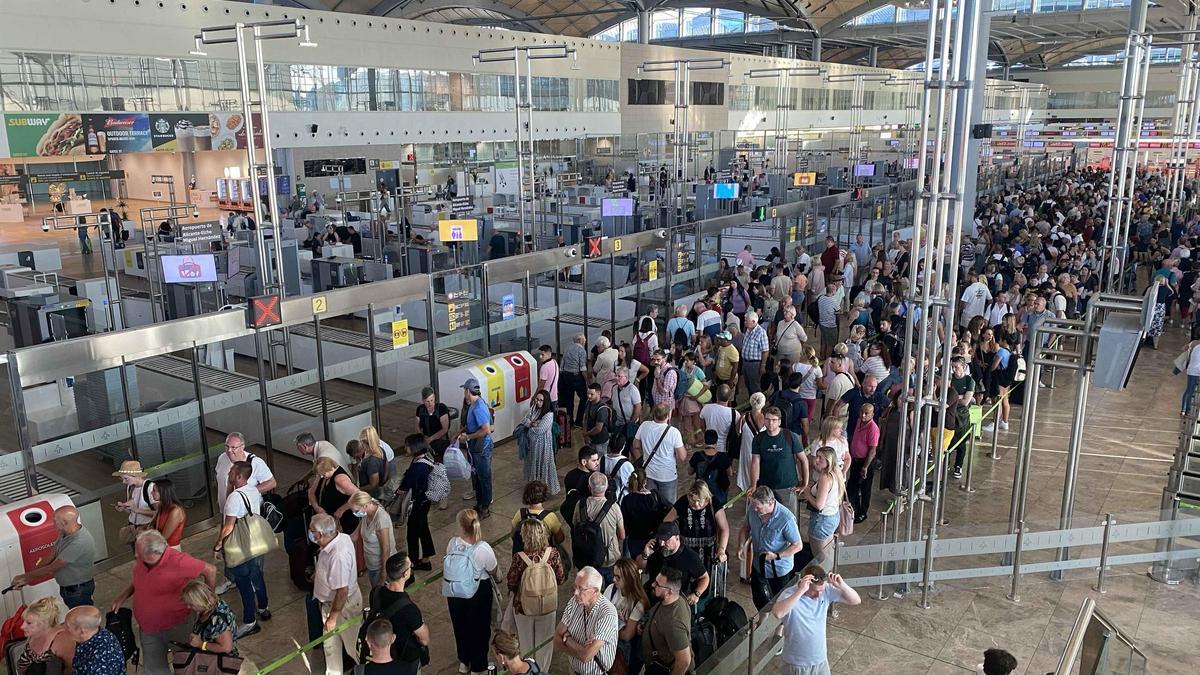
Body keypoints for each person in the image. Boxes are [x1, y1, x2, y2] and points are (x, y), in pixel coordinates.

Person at [111, 529, 217, 675]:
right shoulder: (143, 560)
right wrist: (123, 595)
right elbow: (141, 579)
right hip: (148, 627)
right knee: (154, 668)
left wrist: (207, 602)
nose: (135, 555)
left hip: (177, 624)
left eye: (139, 552)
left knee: (187, 664)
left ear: (154, 553)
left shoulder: (179, 561)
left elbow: (210, 570)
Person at [212, 461, 270, 638]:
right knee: (257, 575)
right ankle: (263, 607)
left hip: (239, 545)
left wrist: (218, 545)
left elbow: (228, 526)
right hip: (255, 540)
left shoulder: (234, 498)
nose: (228, 473)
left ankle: (249, 621)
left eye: (231, 471)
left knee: (243, 582)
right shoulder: (253, 490)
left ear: (238, 476)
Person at [770, 564, 862, 675]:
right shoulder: (789, 594)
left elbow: (856, 600)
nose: (818, 595)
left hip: (820, 660)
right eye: (814, 591)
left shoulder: (826, 590)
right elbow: (777, 613)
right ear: (805, 583)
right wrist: (800, 591)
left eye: (821, 591)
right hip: (796, 663)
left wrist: (842, 585)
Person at [445, 509, 501, 675]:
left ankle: (464, 661)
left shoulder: (452, 543)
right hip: (478, 592)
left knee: (460, 626)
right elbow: (493, 570)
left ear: (461, 526)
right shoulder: (483, 548)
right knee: (480, 629)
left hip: (454, 591)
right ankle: (478, 666)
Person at [506, 518, 567, 668]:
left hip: (523, 608)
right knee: (544, 644)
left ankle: (528, 669)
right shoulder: (553, 554)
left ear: (525, 536)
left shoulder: (519, 558)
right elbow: (560, 578)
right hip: (547, 605)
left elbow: (511, 583)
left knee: (526, 644)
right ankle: (542, 671)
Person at [11, 505, 96, 608]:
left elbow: (54, 566)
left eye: (55, 520)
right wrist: (28, 577)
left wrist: (27, 577)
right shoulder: (65, 533)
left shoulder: (79, 542)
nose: (53, 523)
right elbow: (51, 555)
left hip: (78, 590)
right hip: (70, 587)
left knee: (81, 616)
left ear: (64, 522)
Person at [310, 513, 364, 675]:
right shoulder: (340, 538)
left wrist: (332, 618)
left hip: (342, 608)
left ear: (320, 534)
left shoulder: (338, 556)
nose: (311, 534)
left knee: (354, 648)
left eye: (312, 531)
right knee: (330, 647)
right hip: (332, 607)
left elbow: (342, 592)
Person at [740, 487, 803, 609]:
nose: (755, 509)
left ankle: (776, 621)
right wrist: (742, 546)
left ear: (770, 503)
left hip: (779, 570)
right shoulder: (753, 509)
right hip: (758, 565)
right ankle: (762, 618)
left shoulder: (786, 519)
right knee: (759, 601)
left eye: (758, 507)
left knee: (779, 604)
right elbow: (745, 528)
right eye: (754, 505)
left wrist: (777, 555)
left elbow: (798, 545)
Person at [373, 553, 430, 674]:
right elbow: (424, 639)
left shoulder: (376, 593)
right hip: (405, 659)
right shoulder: (409, 609)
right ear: (405, 574)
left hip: (383, 653)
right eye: (410, 566)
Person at [556, 567, 620, 675]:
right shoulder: (574, 602)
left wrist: (567, 639)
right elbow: (557, 640)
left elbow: (586, 656)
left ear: (595, 591)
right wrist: (581, 650)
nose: (575, 592)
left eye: (581, 589)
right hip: (573, 671)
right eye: (575, 587)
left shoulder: (607, 614)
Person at [750, 406, 808, 516]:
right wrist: (753, 484)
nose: (770, 423)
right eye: (767, 419)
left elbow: (803, 460)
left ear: (779, 421)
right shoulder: (758, 439)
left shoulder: (790, 436)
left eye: (774, 420)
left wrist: (805, 482)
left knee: (789, 517)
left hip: (788, 487)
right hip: (766, 486)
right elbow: (755, 462)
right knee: (766, 516)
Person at [636, 521, 710, 606]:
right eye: (660, 539)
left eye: (666, 540)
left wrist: (696, 594)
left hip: (674, 600)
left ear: (677, 538)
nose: (662, 543)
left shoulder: (690, 556)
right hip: (652, 594)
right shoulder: (655, 548)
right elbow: (639, 567)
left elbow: (705, 578)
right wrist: (645, 554)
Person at [663, 480, 729, 573]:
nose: (696, 504)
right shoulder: (683, 502)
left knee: (708, 576)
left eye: (699, 501)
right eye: (693, 501)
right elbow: (666, 522)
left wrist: (721, 549)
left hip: (709, 552)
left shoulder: (713, 503)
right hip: (686, 551)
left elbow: (724, 528)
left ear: (706, 498)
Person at [632, 403, 688, 505]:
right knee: (668, 506)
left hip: (648, 473)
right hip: (667, 475)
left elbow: (635, 445)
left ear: (653, 414)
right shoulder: (674, 432)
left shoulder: (644, 425)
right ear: (668, 415)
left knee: (650, 505)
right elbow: (682, 457)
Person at [643, 568, 694, 674]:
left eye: (657, 584)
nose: (653, 585)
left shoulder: (674, 624)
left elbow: (684, 661)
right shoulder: (675, 599)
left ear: (669, 592)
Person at [398, 436, 436, 571]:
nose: (405, 448)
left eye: (407, 446)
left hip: (418, 503)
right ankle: (426, 559)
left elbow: (405, 486)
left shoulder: (418, 466)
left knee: (412, 533)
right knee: (423, 528)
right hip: (425, 501)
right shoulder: (426, 458)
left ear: (415, 447)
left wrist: (397, 491)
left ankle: (413, 562)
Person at [459, 378, 495, 519]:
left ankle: (485, 507)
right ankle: (480, 503)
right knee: (478, 477)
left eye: (464, 390)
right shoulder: (474, 404)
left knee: (484, 477)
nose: (464, 392)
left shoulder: (479, 407)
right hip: (476, 447)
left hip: (482, 448)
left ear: (468, 391)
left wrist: (468, 437)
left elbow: (486, 429)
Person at [803, 447, 844, 568]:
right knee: (828, 553)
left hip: (821, 520)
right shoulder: (836, 473)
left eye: (820, 458)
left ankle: (824, 577)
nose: (816, 460)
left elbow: (819, 505)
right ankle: (831, 573)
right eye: (817, 456)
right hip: (832, 516)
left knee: (820, 558)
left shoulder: (825, 477)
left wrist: (807, 493)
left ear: (828, 461)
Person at [15, 597, 75, 675]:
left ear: (45, 623)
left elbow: (72, 669)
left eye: (29, 623)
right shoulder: (34, 634)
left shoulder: (62, 641)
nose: (22, 627)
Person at [349, 491, 395, 587]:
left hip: (380, 567)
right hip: (371, 563)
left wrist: (383, 575)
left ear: (365, 506)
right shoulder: (366, 514)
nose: (354, 513)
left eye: (356, 511)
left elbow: (386, 550)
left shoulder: (380, 520)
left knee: (378, 592)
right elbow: (355, 536)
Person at [181, 580, 238, 658]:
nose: (188, 607)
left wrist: (200, 644)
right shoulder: (210, 605)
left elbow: (226, 648)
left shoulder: (218, 619)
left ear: (200, 601)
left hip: (217, 660)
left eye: (191, 604)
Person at [520, 389, 560, 494]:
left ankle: (543, 489)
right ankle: (534, 487)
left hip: (543, 446)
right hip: (532, 445)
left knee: (543, 466)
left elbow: (540, 430)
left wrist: (530, 425)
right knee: (533, 465)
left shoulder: (549, 415)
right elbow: (524, 420)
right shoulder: (534, 409)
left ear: (546, 401)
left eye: (541, 400)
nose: (538, 402)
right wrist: (532, 423)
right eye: (537, 399)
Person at [65, 606, 125, 675]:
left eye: (67, 627)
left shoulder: (98, 663)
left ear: (82, 631)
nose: (64, 629)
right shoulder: (100, 632)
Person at [846, 403, 880, 524]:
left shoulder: (873, 429)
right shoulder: (859, 422)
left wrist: (865, 467)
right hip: (855, 460)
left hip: (865, 462)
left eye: (867, 413)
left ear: (872, 414)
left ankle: (862, 513)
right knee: (852, 487)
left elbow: (872, 450)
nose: (863, 415)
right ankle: (854, 510)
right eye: (862, 412)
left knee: (864, 488)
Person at [312, 456, 360, 534]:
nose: (322, 477)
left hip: (345, 520)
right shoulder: (328, 475)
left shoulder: (340, 479)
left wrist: (341, 510)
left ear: (330, 468)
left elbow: (359, 495)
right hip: (332, 516)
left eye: (323, 474)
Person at [113, 460, 157, 538]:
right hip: (132, 527)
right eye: (122, 479)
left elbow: (159, 513)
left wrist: (137, 510)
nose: (123, 482)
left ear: (135, 475)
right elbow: (132, 511)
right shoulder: (130, 487)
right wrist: (124, 508)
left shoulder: (150, 487)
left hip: (146, 528)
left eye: (126, 478)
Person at [737, 393, 767, 493]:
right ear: (763, 404)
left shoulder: (743, 417)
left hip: (746, 451)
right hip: (760, 453)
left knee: (747, 475)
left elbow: (738, 432)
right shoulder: (766, 419)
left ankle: (748, 494)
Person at [414, 387, 452, 462]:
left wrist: (431, 439)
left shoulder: (441, 408)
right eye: (427, 401)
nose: (430, 403)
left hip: (440, 440)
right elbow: (416, 426)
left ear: (434, 397)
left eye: (432, 400)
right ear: (423, 400)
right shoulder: (420, 409)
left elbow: (445, 429)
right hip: (426, 441)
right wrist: (422, 436)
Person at [148, 479, 186, 550]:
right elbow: (153, 526)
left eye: (154, 490)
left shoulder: (176, 511)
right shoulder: (161, 506)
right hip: (160, 547)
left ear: (163, 492)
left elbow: (164, 537)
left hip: (170, 549)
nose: (151, 493)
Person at [563, 333, 590, 427]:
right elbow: (583, 368)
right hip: (577, 377)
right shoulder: (581, 351)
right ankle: (578, 421)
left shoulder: (567, 348)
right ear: (579, 340)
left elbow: (562, 364)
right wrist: (587, 381)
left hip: (566, 376)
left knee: (569, 400)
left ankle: (569, 422)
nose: (585, 340)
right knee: (584, 397)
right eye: (584, 339)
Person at [699, 384, 736, 455]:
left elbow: (702, 425)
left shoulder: (706, 408)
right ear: (729, 397)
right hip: (725, 449)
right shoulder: (734, 414)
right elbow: (736, 431)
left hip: (709, 448)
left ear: (716, 395)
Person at [582, 383, 613, 456]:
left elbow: (598, 428)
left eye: (592, 394)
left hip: (600, 441)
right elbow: (586, 418)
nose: (589, 396)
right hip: (591, 439)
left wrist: (586, 434)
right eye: (588, 393)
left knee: (600, 459)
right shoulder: (589, 402)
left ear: (598, 393)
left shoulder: (602, 409)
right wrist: (585, 433)